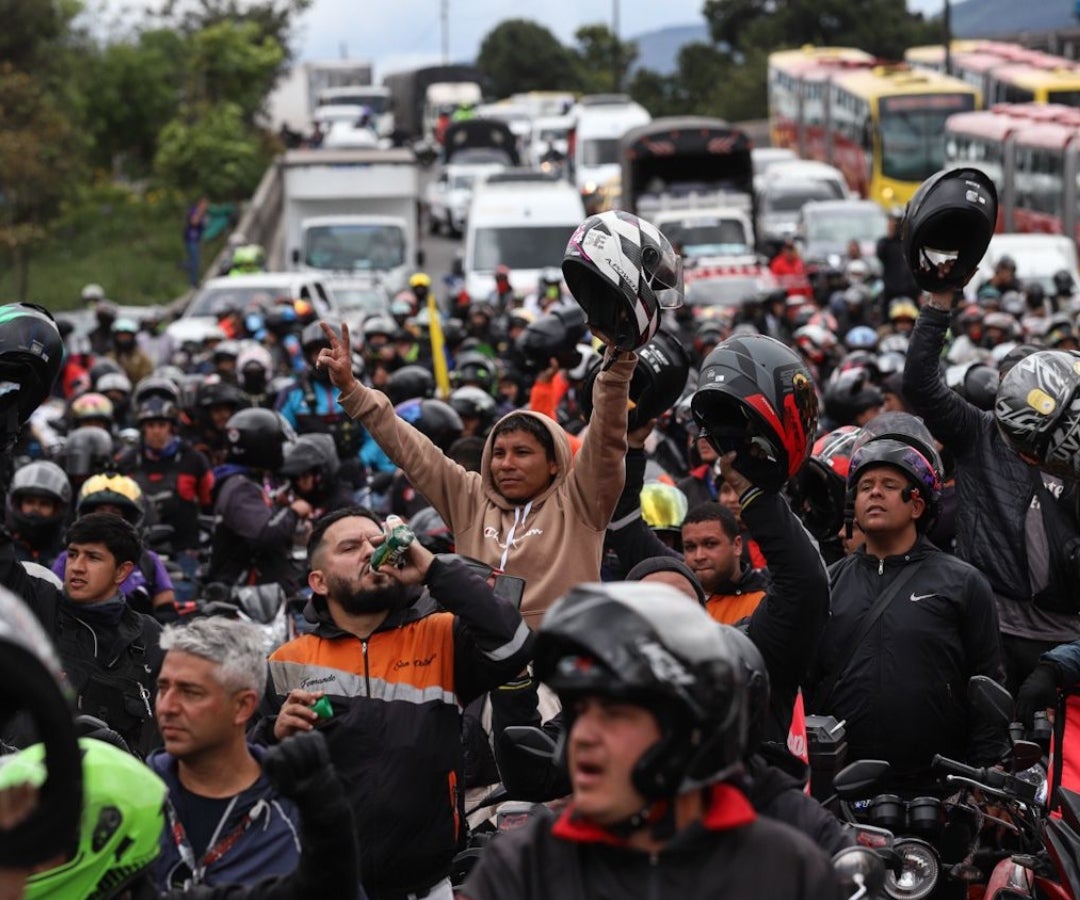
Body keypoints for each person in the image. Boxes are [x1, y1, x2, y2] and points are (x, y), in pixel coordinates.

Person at [461, 582, 841, 900]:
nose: (583, 737)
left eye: (614, 714)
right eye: (580, 712)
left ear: (691, 730)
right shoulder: (521, 871)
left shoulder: (788, 872)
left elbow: (805, 587)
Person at [254, 507, 534, 900]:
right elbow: (247, 770)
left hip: (426, 885)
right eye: (350, 547)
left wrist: (434, 573)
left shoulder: (441, 634)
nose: (371, 552)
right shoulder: (286, 661)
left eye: (376, 541)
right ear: (319, 581)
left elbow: (515, 646)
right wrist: (274, 733)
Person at [316, 320, 636, 625]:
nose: (505, 464)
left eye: (522, 453)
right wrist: (353, 390)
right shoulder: (471, 500)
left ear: (554, 462)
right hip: (483, 670)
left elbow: (607, 436)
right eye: (498, 453)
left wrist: (617, 360)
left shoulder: (582, 502)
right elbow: (412, 451)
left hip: (562, 671)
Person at [805, 421, 1008, 792]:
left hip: (939, 790)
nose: (874, 494)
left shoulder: (963, 583)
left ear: (916, 504)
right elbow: (805, 680)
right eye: (865, 487)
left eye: (889, 486)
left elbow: (987, 682)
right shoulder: (825, 585)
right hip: (840, 789)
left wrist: (986, 775)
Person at [903, 288, 1080, 694]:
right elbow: (919, 383)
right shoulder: (977, 431)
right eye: (1009, 389)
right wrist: (938, 303)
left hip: (1067, 634)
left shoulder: (1073, 446)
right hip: (991, 625)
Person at [150, 618, 301, 890]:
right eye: (163, 688)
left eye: (190, 692)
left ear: (243, 706)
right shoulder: (132, 800)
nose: (167, 707)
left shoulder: (298, 819)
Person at [0, 511, 163, 757]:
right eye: (73, 555)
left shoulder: (148, 636)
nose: (77, 567)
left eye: (93, 557)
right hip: (28, 776)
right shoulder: (39, 601)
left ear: (122, 571)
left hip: (115, 783)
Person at [207, 407, 312, 592]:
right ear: (262, 447)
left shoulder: (249, 482)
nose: (282, 452)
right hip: (243, 595)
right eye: (278, 446)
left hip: (264, 589)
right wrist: (295, 511)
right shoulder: (239, 488)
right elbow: (266, 534)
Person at [116, 395, 215, 557]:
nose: (156, 431)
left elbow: (209, 503)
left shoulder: (194, 459)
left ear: (172, 428)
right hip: (137, 550)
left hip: (186, 550)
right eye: (150, 425)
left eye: (162, 425)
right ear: (143, 428)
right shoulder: (127, 461)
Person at [681, 501, 768, 625]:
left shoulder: (763, 602)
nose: (699, 556)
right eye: (690, 547)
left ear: (737, 545)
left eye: (710, 544)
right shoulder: (674, 601)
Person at [185, 195, 210, 288]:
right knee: (194, 261)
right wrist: (200, 214)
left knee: (196, 260)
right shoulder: (194, 211)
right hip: (191, 238)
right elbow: (194, 222)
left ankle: (195, 280)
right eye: (204, 204)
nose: (206, 206)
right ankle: (193, 282)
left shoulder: (205, 214)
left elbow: (205, 225)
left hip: (197, 239)